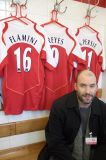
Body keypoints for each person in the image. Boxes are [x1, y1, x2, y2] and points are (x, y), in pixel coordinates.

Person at [37, 69, 106, 160]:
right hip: (65, 154)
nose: (88, 91)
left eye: (92, 86)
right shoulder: (59, 106)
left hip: (92, 151)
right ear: (75, 86)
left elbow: (104, 142)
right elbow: (55, 142)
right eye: (83, 85)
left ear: (96, 87)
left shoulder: (102, 108)